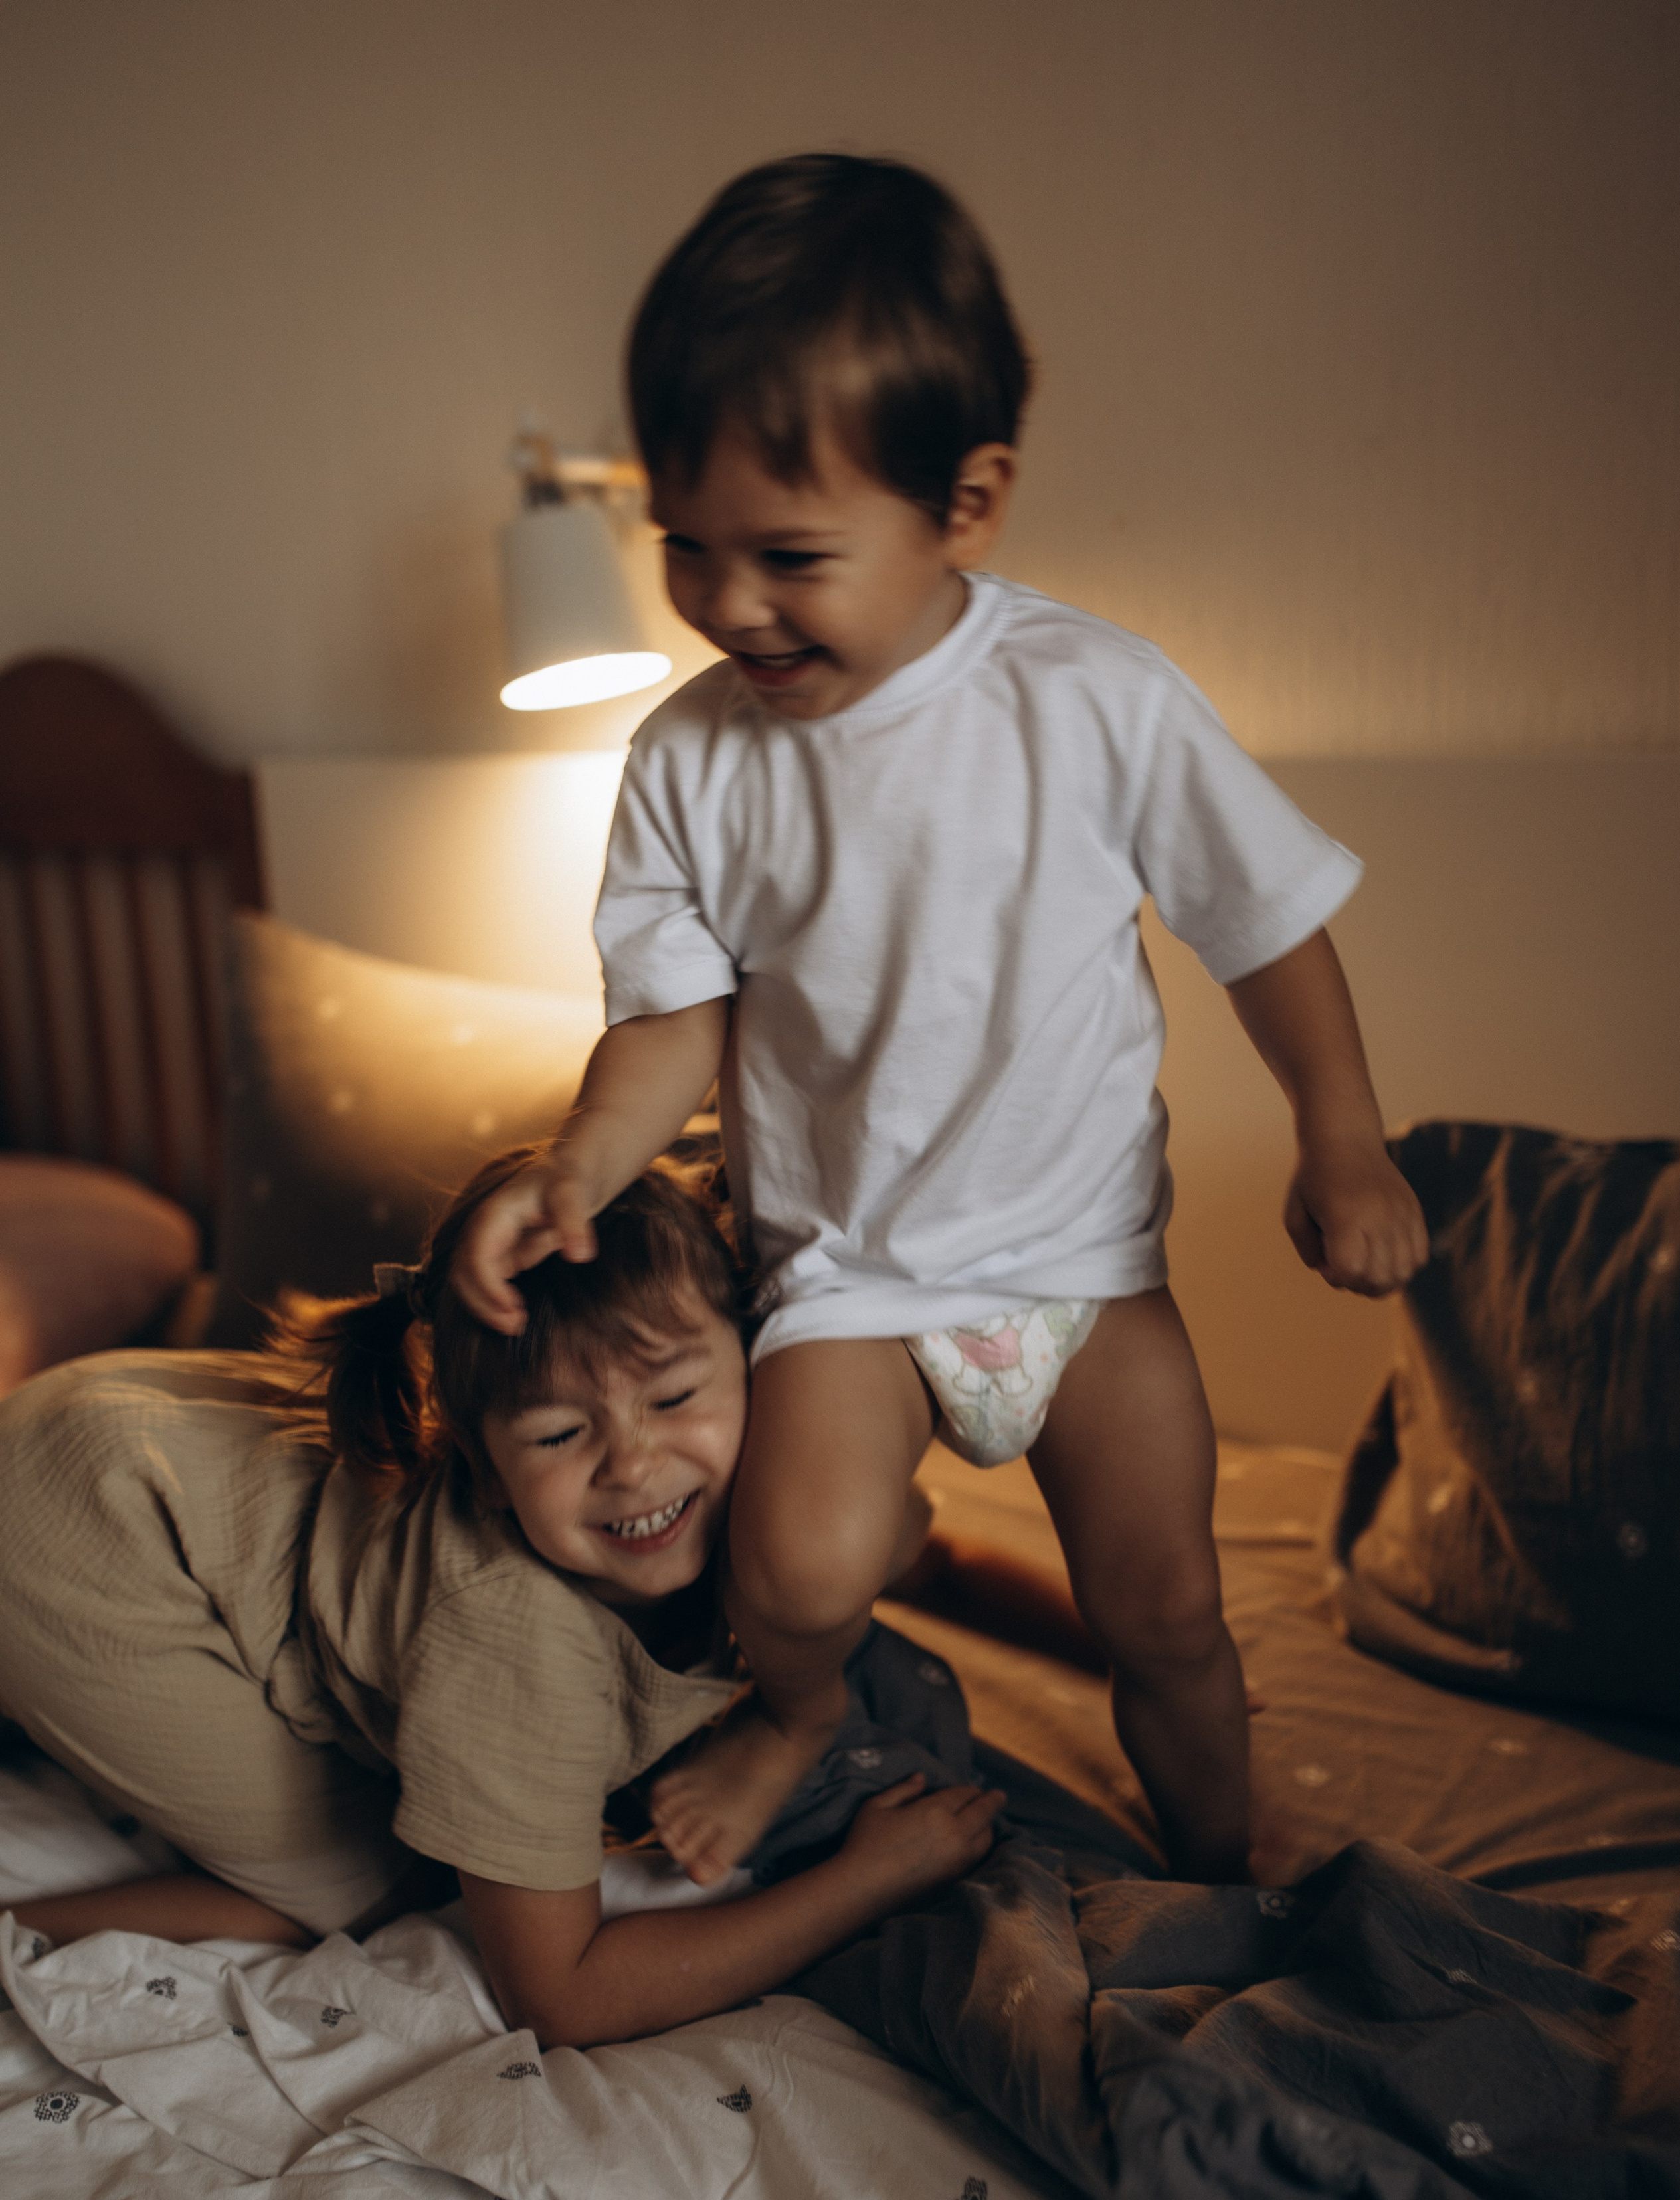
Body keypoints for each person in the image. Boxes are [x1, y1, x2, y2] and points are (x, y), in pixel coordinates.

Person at [452, 154, 1428, 1893]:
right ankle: (798, 1718)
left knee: (1172, 1617)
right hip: (853, 1273)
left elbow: (1267, 924)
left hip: (1083, 1270)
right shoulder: (691, 761)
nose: (732, 602)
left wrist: (1337, 1132)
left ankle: (1229, 1872)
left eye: (792, 555)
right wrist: (584, 1162)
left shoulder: (1097, 703)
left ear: (967, 504)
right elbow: (675, 1020)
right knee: (799, 1572)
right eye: (687, 547)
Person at [0, 1152, 1000, 2048]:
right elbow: (558, 2000)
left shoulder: (783, 1487)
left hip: (159, 1443)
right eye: (562, 1436)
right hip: (75, 1537)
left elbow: (924, 1548)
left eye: (674, 1398)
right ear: (484, 1475)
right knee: (379, 1890)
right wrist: (868, 1878)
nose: (634, 1463)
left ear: (755, 1366)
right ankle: (24, 1926)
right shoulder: (516, 1643)